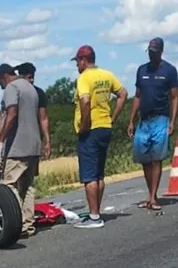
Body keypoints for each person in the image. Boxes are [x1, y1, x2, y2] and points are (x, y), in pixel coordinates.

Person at [71, 45, 128, 229]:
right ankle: (96, 210)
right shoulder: (107, 75)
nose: (77, 66)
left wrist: (84, 124)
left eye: (77, 62)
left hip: (91, 129)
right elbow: (123, 94)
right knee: (99, 173)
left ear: (83, 60)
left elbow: (85, 101)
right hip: (105, 126)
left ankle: (94, 216)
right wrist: (113, 117)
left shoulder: (84, 78)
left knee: (89, 175)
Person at [127, 37, 178, 211]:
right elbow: (138, 96)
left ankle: (152, 197)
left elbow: (174, 97)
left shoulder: (170, 71)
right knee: (144, 158)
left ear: (161, 52)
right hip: (144, 119)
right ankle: (151, 194)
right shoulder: (141, 70)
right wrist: (131, 120)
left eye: (154, 52)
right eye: (149, 51)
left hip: (160, 118)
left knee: (156, 158)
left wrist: (172, 121)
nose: (151, 54)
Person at [0, 63, 42, 238]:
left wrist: (0, 141)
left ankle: (17, 222)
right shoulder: (30, 87)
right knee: (28, 186)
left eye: (1, 84)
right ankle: (28, 225)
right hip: (34, 145)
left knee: (9, 185)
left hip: (17, 147)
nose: (2, 88)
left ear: (4, 77)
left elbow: (12, 113)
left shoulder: (12, 88)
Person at [14, 62, 52, 159]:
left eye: (32, 77)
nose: (31, 80)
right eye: (29, 77)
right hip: (16, 141)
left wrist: (47, 140)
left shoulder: (39, 93)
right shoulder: (14, 92)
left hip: (33, 141)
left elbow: (43, 118)